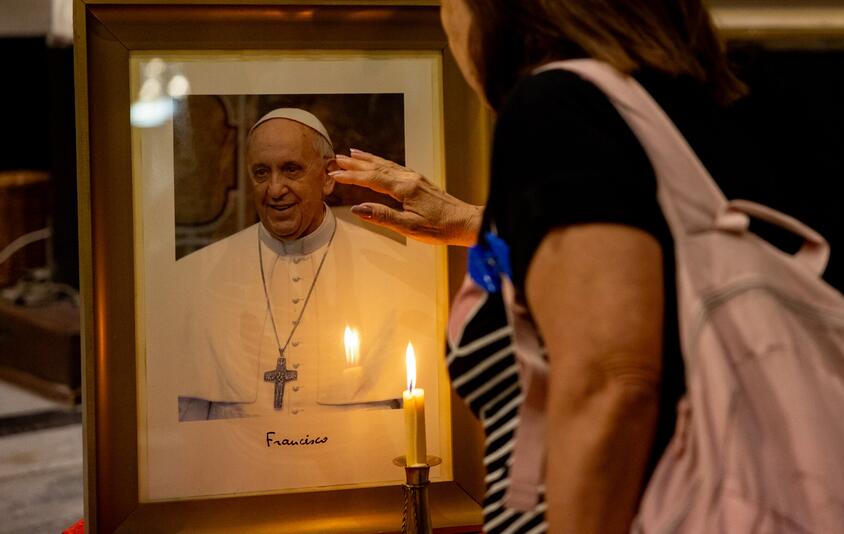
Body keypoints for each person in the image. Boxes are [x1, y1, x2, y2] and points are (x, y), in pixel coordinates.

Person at [331, 1, 748, 532]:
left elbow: (613, 383)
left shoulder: (557, 105)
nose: (445, 17)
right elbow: (638, 251)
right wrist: (472, 222)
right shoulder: (679, 111)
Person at [176, 108, 425, 421]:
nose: (275, 189)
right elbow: (188, 421)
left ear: (328, 176)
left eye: (291, 169)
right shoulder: (198, 276)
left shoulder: (392, 270)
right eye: (261, 173)